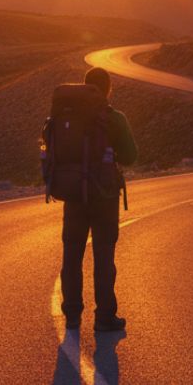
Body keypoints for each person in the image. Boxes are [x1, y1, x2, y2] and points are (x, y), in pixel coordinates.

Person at [58, 66, 138, 332]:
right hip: (105, 196)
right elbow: (130, 156)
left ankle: (71, 315)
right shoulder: (114, 118)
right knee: (104, 256)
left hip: (73, 195)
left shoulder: (66, 117)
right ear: (108, 89)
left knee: (72, 254)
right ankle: (104, 317)